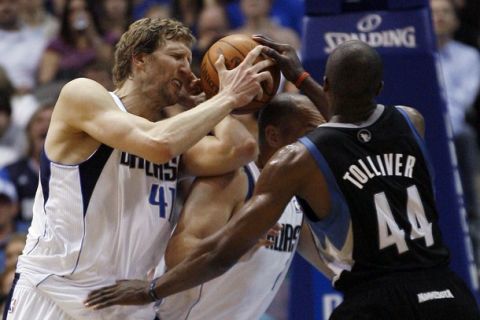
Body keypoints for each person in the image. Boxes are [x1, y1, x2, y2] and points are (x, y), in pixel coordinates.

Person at [85, 39, 480, 319]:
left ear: (329, 88)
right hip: (446, 293)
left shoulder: (302, 167)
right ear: (378, 89)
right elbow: (189, 252)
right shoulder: (411, 122)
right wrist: (303, 78)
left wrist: (147, 290)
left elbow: (341, 130)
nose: (321, 132)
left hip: (378, 300)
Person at [3, 17, 272, 320]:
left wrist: (204, 102)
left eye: (189, 59)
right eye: (175, 57)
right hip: (55, 295)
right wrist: (227, 97)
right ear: (140, 60)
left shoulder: (171, 134)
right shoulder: (84, 96)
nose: (187, 68)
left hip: (127, 305)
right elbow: (157, 144)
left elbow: (239, 149)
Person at [155, 93, 333, 320]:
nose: (317, 146)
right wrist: (233, 248)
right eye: (310, 135)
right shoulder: (236, 178)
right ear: (273, 136)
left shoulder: (295, 195)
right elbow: (176, 255)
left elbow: (335, 264)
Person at [430, 0, 480, 271]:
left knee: (465, 135)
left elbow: (460, 106)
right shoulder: (416, 56)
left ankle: (473, 248)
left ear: (456, 19)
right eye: (433, 12)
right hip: (422, 131)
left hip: (454, 134)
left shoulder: (469, 56)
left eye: (444, 12)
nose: (438, 17)